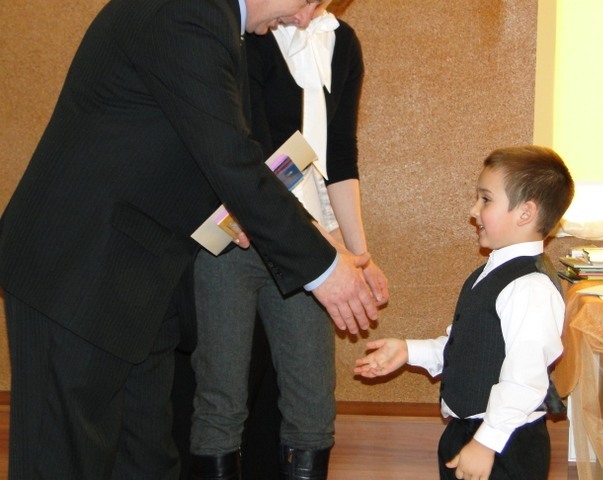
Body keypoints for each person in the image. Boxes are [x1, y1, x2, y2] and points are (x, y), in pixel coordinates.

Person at [0, 0, 383, 477]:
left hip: (138, 281)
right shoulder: (187, 10)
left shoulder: (219, 22)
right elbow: (231, 159)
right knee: (65, 461)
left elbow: (230, 156)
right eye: (307, 1)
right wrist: (324, 269)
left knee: (148, 462)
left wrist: (327, 245)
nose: (305, 18)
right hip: (78, 270)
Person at [190, 2, 388, 479]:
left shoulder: (342, 43)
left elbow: (339, 155)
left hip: (307, 241)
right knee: (221, 394)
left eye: (322, 3)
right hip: (233, 238)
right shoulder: (247, 35)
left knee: (312, 397)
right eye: (306, 2)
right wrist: (328, 251)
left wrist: (358, 255)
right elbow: (251, 153)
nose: (307, 15)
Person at [354, 146, 575, 480]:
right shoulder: (488, 274)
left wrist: (486, 443)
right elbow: (467, 347)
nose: (474, 210)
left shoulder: (531, 288)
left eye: (485, 199)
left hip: (505, 444)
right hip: (468, 432)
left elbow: (525, 380)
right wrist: (408, 351)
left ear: (525, 213)